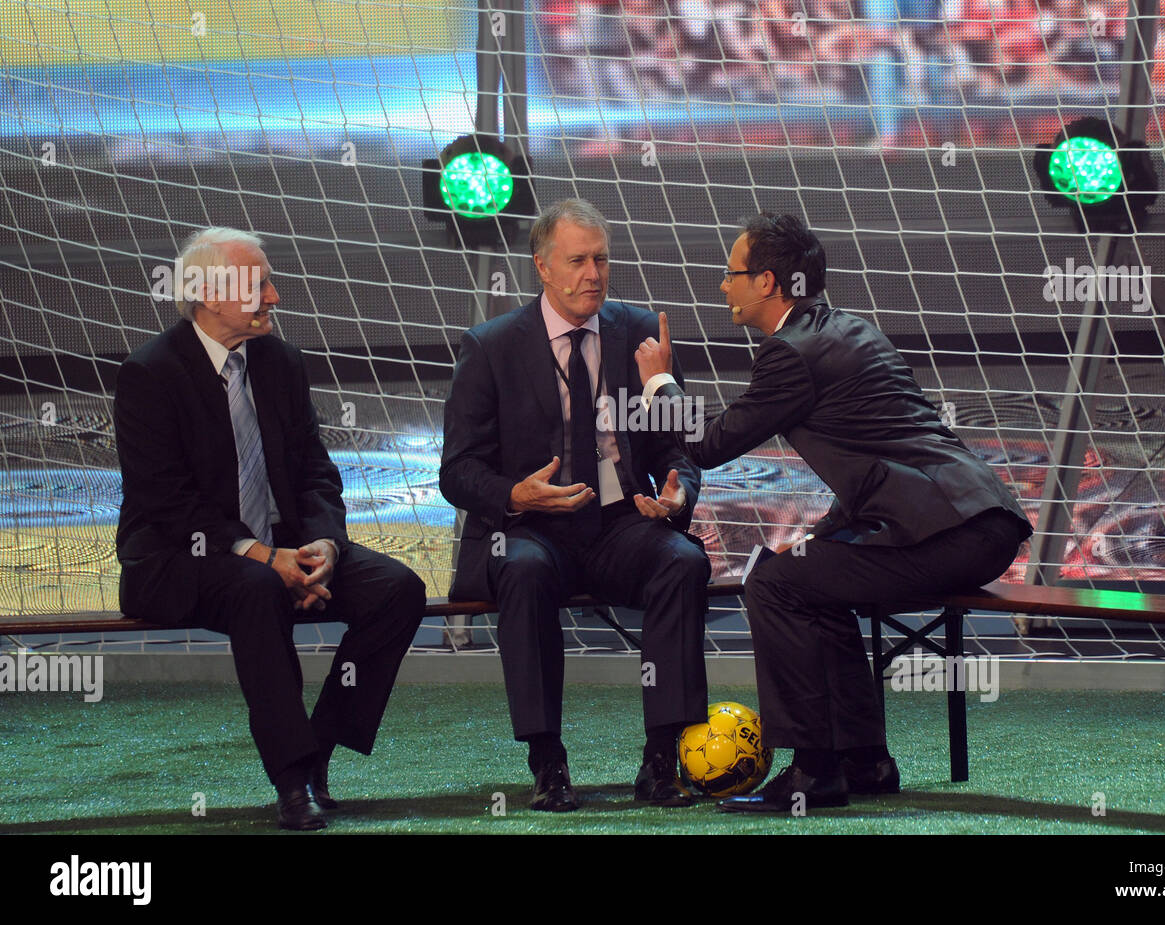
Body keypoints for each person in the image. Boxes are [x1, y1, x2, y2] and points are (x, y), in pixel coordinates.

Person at [635, 212, 1032, 812]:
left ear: (766, 282)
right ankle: (863, 761)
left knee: (772, 580)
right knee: (806, 573)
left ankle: (814, 773)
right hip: (979, 521)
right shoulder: (850, 330)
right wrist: (821, 537)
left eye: (731, 273)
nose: (724, 286)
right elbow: (879, 456)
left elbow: (709, 445)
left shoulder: (790, 354)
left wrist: (659, 382)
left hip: (951, 533)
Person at [114, 227, 425, 830]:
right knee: (257, 589)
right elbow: (165, 501)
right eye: (259, 286)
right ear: (206, 293)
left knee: (398, 588)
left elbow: (315, 470)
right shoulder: (150, 373)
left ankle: (319, 749)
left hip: (280, 542)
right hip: (176, 556)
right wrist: (263, 556)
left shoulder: (281, 362)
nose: (275, 297)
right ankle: (290, 782)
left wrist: (322, 547)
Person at [439, 198, 709, 811]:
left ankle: (662, 760)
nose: (594, 273)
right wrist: (513, 493)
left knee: (681, 562)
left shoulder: (642, 336)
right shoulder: (490, 347)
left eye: (602, 260)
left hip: (621, 522)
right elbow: (456, 471)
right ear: (542, 267)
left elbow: (679, 447)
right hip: (533, 526)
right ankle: (548, 761)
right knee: (525, 569)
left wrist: (677, 492)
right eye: (578, 260)